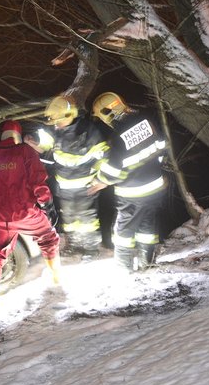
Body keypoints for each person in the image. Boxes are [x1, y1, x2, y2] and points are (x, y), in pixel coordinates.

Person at [0, 120, 62, 309]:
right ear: (17, 136)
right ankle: (56, 278)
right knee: (48, 238)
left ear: (2, 136)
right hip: (25, 213)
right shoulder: (25, 151)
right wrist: (47, 203)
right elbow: (38, 181)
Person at [88, 92, 167, 273]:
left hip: (133, 194)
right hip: (155, 187)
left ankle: (124, 268)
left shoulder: (118, 138)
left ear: (109, 114)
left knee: (123, 231)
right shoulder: (147, 122)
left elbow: (114, 170)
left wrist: (100, 180)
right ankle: (147, 263)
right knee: (147, 226)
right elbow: (162, 146)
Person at [24, 95, 110, 258]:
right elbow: (44, 147)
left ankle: (90, 249)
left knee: (87, 219)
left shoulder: (89, 132)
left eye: (58, 121)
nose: (56, 125)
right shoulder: (52, 129)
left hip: (86, 186)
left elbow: (104, 156)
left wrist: (101, 180)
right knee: (69, 218)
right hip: (64, 186)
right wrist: (32, 144)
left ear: (69, 116)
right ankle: (73, 245)